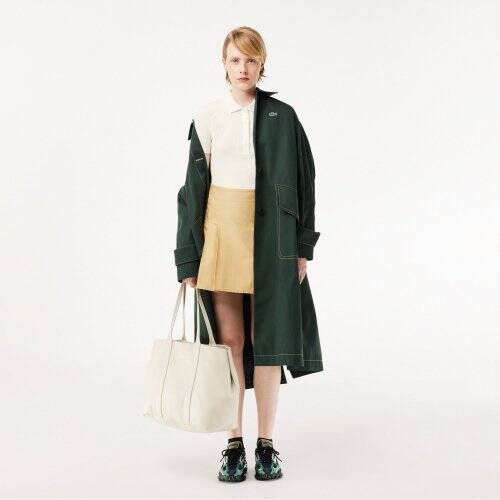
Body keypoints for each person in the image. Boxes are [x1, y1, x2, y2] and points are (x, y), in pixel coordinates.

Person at [180, 26, 319, 482]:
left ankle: (267, 444)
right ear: (224, 63)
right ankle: (234, 443)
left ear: (263, 65)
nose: (243, 68)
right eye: (235, 60)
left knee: (269, 344)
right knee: (231, 344)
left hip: (271, 239)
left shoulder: (283, 116)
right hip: (222, 235)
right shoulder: (208, 117)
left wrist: (301, 248)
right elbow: (191, 192)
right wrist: (188, 258)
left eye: (251, 60)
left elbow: (305, 183)